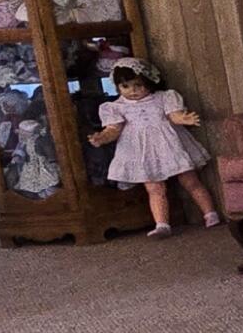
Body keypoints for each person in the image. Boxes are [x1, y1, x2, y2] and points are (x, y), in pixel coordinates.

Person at [89, 57, 221, 237]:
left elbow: (174, 116)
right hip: (143, 152)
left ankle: (210, 213)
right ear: (118, 87)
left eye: (138, 85)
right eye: (125, 86)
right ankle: (162, 224)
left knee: (190, 181)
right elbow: (113, 129)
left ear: (149, 81)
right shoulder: (116, 107)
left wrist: (184, 118)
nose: (132, 91)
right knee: (155, 188)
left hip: (170, 146)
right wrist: (102, 137)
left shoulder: (163, 98)